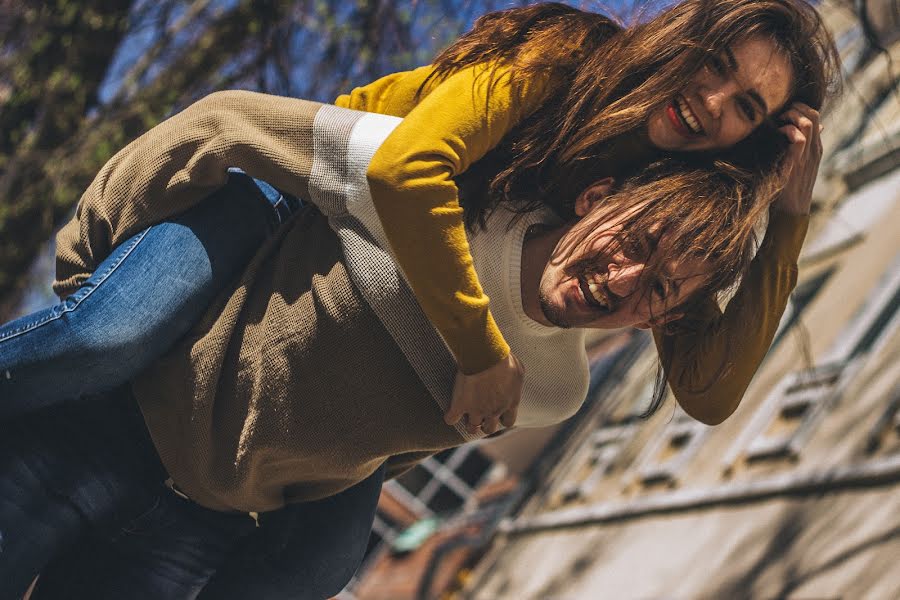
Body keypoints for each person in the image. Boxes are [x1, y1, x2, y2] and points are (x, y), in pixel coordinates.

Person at [0, 0, 839, 596]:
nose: (713, 100)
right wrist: (481, 353)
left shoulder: (661, 206)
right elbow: (406, 169)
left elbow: (709, 390)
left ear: (751, 138)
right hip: (309, 199)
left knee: (321, 565)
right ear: (686, 34)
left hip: (408, 303)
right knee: (107, 337)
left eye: (747, 108)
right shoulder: (560, 57)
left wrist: (790, 222)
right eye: (717, 64)